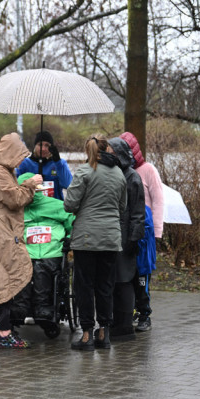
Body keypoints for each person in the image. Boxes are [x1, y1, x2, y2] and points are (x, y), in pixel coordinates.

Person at [0, 133, 43, 349]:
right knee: (4, 278)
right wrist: (31, 184)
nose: (21, 159)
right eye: (19, 154)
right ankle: (4, 333)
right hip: (0, 231)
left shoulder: (1, 170)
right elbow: (15, 199)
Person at [63, 135, 126, 351]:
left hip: (87, 239)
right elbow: (122, 207)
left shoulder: (84, 171)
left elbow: (69, 204)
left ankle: (86, 335)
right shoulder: (119, 173)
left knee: (85, 286)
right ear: (107, 149)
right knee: (105, 286)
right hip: (110, 238)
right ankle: (104, 334)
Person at [10, 172, 74, 328]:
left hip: (51, 252)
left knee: (41, 269)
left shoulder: (56, 205)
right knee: (24, 269)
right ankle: (20, 308)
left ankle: (43, 308)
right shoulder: (16, 210)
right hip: (26, 252)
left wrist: (70, 238)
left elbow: (73, 221)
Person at [119, 132, 164, 331]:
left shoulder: (147, 171)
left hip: (144, 232)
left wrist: (157, 232)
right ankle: (127, 311)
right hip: (124, 231)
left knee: (142, 274)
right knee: (126, 274)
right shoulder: (118, 171)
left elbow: (158, 200)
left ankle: (144, 313)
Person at [107, 137, 147, 341]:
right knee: (114, 280)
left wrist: (133, 238)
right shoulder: (115, 174)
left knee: (124, 281)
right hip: (114, 235)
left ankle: (124, 325)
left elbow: (138, 212)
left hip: (125, 237)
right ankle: (116, 322)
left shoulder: (132, 177)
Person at [16, 130, 72, 200]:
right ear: (35, 146)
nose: (43, 149)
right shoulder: (24, 164)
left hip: (54, 206)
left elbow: (68, 184)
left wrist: (58, 162)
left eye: (47, 145)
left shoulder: (60, 163)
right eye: (40, 145)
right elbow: (14, 185)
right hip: (33, 206)